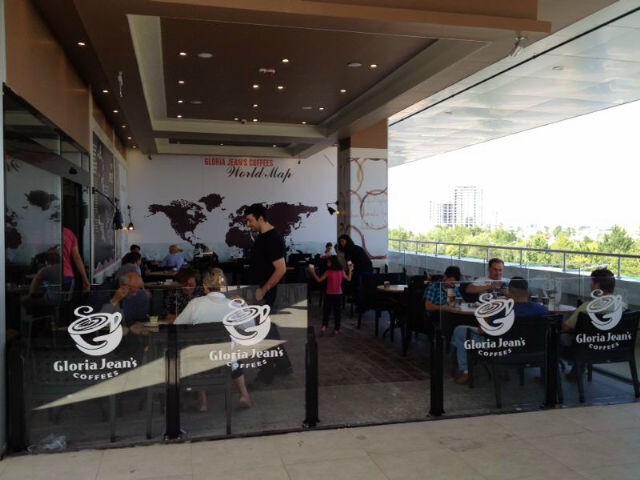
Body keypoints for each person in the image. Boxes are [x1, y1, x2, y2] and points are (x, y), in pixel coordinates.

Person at [175, 268, 251, 409]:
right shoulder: (233, 305)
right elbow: (250, 326)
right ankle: (243, 394)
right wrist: (243, 305)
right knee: (232, 351)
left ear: (204, 286)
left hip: (200, 361)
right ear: (224, 286)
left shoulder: (195, 304)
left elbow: (176, 326)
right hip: (226, 360)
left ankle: (203, 401)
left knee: (195, 350)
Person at [451, 277, 548, 384]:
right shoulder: (542, 310)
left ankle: (466, 371)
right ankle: (503, 370)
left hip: (502, 352)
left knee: (459, 331)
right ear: (527, 291)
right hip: (533, 352)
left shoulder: (502, 310)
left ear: (509, 291)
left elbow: (481, 331)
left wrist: (486, 316)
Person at [245, 203, 292, 383]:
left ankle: (266, 372)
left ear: (261, 218)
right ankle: (283, 365)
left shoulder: (273, 238)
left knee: (263, 332)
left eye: (250, 220)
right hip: (261, 292)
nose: (248, 224)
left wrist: (263, 290)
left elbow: (281, 269)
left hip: (268, 294)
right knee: (269, 331)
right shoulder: (263, 237)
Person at [309, 255, 353, 335]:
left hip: (329, 294)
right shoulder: (341, 271)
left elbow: (319, 280)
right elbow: (349, 279)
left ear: (332, 263)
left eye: (328, 262)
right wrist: (350, 270)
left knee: (327, 311)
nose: (327, 264)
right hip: (338, 294)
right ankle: (336, 328)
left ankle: (325, 326)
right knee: (336, 312)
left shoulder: (328, 272)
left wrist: (313, 273)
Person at [100, 272, 151, 336]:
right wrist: (115, 300)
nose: (135, 294)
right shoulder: (105, 291)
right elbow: (100, 320)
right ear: (122, 286)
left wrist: (138, 324)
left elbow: (141, 318)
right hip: (108, 335)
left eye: (138, 289)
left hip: (132, 335)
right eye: (132, 291)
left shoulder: (140, 295)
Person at [336, 234, 373, 312]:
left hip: (363, 269)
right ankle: (358, 302)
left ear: (347, 241)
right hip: (362, 269)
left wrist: (349, 272)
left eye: (342, 241)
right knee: (359, 286)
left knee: (359, 286)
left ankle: (361, 306)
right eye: (340, 242)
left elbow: (350, 264)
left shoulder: (350, 250)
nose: (341, 243)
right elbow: (350, 264)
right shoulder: (351, 249)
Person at [63, 226, 91, 292]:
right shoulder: (69, 233)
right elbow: (77, 258)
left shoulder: (45, 232)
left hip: (47, 275)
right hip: (67, 276)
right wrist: (85, 279)